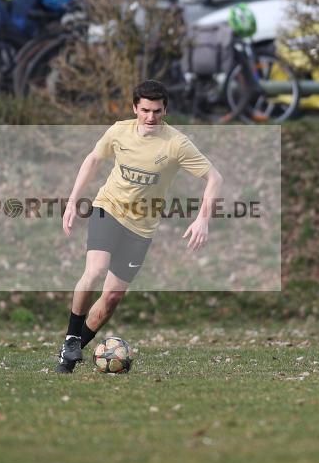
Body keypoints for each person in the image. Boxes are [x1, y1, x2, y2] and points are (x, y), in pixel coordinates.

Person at [55, 79, 223, 373]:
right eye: (145, 110)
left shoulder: (176, 144)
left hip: (142, 227)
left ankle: (70, 354)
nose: (150, 117)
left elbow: (215, 178)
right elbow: (93, 159)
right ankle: (71, 338)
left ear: (165, 110)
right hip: (108, 208)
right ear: (135, 108)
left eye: (157, 111)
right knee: (95, 269)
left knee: (112, 298)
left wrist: (203, 218)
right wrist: (72, 201)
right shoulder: (119, 131)